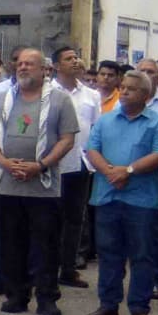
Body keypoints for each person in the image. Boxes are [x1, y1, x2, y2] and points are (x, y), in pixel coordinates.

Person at [0, 49, 79, 315]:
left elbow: (67, 139)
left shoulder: (60, 100)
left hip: (43, 185)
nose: (23, 68)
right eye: (20, 64)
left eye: (29, 64)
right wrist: (3, 162)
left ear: (44, 70)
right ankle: (16, 295)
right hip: (8, 182)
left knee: (45, 244)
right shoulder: (2, 98)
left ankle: (47, 298)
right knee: (12, 242)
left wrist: (41, 164)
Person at [85, 70, 158, 315]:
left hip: (141, 200)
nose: (123, 91)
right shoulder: (106, 120)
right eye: (123, 87)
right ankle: (108, 305)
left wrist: (129, 170)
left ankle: (139, 307)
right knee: (109, 253)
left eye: (131, 89)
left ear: (145, 95)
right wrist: (110, 172)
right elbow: (92, 149)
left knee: (142, 254)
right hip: (107, 196)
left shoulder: (157, 122)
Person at [52, 46, 100, 290]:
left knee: (75, 218)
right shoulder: (48, 92)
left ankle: (68, 268)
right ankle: (49, 267)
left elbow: (97, 128)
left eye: (76, 57)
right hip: (53, 163)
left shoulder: (92, 95)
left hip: (81, 163)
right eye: (68, 59)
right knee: (51, 217)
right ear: (57, 66)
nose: (75, 62)